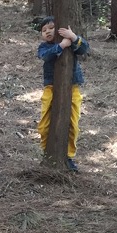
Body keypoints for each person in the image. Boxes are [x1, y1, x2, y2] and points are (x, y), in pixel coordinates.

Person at [36, 17, 90, 172]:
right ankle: (48, 153)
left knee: (72, 125)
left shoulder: (71, 43)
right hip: (50, 89)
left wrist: (73, 37)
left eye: (51, 28)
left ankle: (68, 156)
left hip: (71, 89)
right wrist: (60, 46)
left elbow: (84, 48)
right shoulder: (43, 47)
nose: (47, 32)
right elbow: (46, 56)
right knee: (45, 124)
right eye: (44, 30)